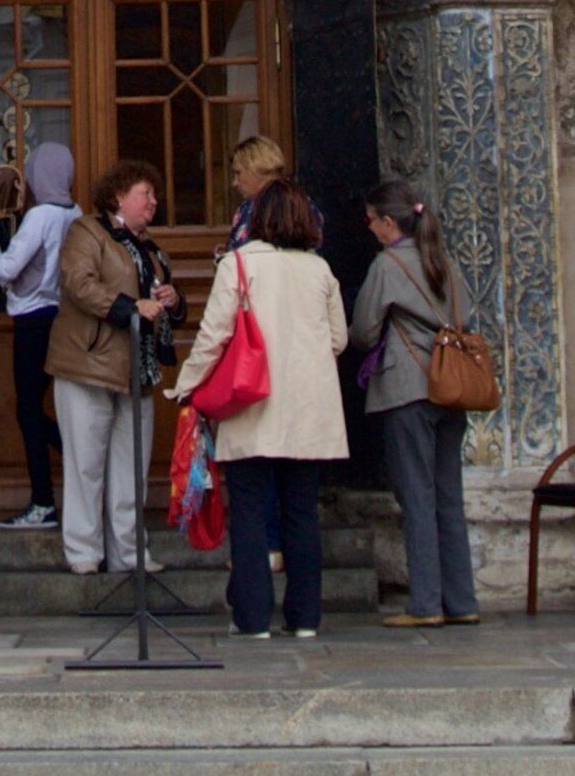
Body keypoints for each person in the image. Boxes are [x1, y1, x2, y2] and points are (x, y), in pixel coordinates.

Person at [171, 185, 349, 638]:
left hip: (252, 402)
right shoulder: (320, 269)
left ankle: (252, 618)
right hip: (308, 407)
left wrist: (187, 384)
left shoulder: (239, 264)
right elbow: (338, 340)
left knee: (249, 512)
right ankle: (305, 617)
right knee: (301, 512)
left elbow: (213, 335)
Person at [353, 181, 481, 627]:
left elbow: (363, 331)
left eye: (371, 220)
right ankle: (462, 602)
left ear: (389, 223)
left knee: (416, 496)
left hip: (408, 387)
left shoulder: (388, 265)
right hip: (454, 386)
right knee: (449, 495)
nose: (368, 228)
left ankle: (425, 603)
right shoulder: (444, 260)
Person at [48, 161, 180, 577]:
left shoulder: (150, 247)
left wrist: (172, 300)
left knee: (131, 467)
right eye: (146, 194)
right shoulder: (87, 233)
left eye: (155, 196)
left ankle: (129, 552)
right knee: (86, 462)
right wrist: (129, 307)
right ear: (119, 196)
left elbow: (161, 300)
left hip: (136, 370)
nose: (154, 203)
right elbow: (78, 282)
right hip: (89, 363)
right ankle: (84, 551)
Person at [0, 142, 82, 531]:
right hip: (65, 318)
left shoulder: (39, 218)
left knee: (28, 410)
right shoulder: (77, 214)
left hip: (32, 320)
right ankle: (80, 461)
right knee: (56, 404)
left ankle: (43, 500)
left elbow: (8, 268)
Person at [225, 134, 290, 242]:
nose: (234, 183)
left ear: (255, 168)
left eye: (238, 173)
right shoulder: (303, 205)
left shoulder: (251, 208)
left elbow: (242, 254)